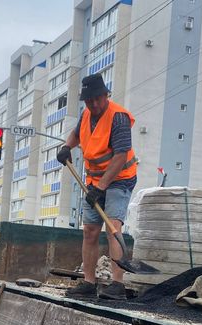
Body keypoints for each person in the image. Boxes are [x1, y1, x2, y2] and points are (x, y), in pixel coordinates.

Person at [57, 73, 139, 300]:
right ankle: (89, 282)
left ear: (105, 95)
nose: (93, 104)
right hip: (95, 182)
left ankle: (117, 285)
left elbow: (121, 156)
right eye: (89, 100)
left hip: (119, 179)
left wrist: (101, 187)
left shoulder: (118, 117)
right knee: (89, 231)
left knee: (112, 228)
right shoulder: (86, 114)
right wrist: (67, 147)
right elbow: (75, 135)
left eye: (97, 99)